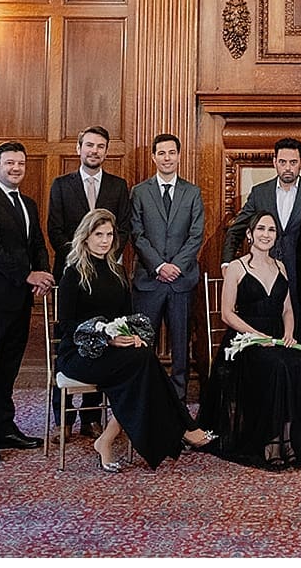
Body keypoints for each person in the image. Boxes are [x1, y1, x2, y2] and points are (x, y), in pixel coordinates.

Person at [57, 209, 217, 471]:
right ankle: (185, 427)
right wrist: (107, 339)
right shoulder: (73, 274)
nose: (105, 240)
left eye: (109, 234)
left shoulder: (117, 272)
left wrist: (132, 336)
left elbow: (126, 317)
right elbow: (67, 326)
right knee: (142, 366)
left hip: (113, 352)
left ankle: (107, 440)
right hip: (79, 354)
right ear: (85, 237)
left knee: (142, 359)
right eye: (98, 235)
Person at [198, 210, 301, 469]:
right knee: (275, 365)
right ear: (250, 235)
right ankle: (270, 441)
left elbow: (287, 308)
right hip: (245, 338)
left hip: (277, 334)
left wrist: (289, 332)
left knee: (295, 361)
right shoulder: (236, 267)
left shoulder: (281, 266)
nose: (266, 234)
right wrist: (255, 336)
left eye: (271, 230)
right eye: (261, 229)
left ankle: (288, 438)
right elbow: (227, 314)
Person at [0, 142, 55, 463]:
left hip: (19, 301)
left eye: (21, 163)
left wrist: (43, 273)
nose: (16, 168)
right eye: (10, 163)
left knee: (8, 370)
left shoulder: (28, 204)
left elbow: (37, 244)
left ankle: (3, 427)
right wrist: (29, 275)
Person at [222, 137, 301, 380]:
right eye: (282, 162)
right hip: (262, 274)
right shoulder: (260, 192)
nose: (287, 167)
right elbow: (237, 228)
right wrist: (227, 263)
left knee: (299, 337)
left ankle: (296, 393)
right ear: (274, 162)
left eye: (293, 162)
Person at [130, 131, 204, 405]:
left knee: (181, 346)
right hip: (149, 281)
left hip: (181, 282)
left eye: (171, 152)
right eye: (161, 153)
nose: (167, 157)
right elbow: (136, 234)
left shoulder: (192, 192)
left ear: (179, 156)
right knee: (142, 345)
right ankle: (144, 399)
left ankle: (179, 401)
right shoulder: (139, 192)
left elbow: (196, 235)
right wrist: (159, 265)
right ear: (153, 157)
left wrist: (175, 267)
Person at [49, 125, 132, 261]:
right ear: (78, 148)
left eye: (100, 146)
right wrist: (79, 257)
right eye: (89, 145)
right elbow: (55, 230)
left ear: (106, 152)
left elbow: (123, 229)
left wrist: (105, 258)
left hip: (108, 265)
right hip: (70, 264)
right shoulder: (61, 185)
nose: (94, 151)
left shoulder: (118, 185)